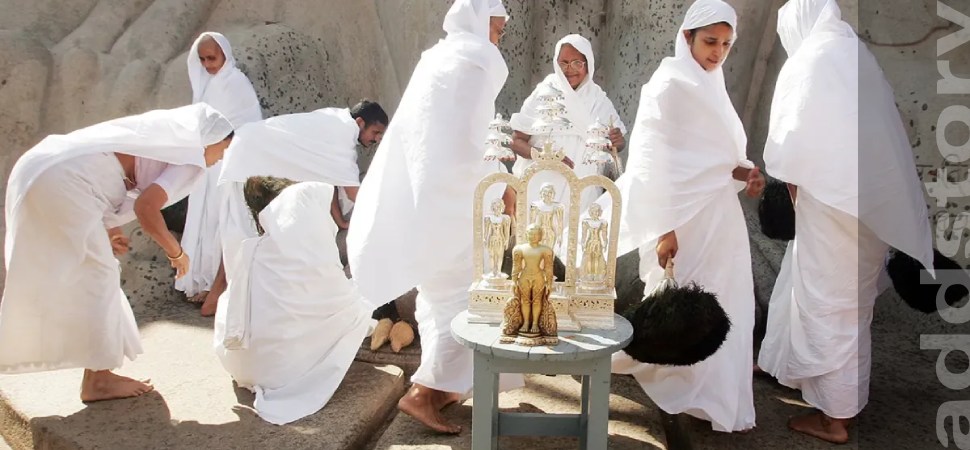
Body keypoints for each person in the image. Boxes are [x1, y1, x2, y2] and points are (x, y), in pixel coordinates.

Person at [756, 0, 934, 443]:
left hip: (831, 208)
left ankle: (835, 419)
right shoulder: (855, 54)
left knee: (827, 308)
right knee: (843, 305)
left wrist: (797, 200)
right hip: (870, 208)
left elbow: (788, 148)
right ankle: (803, 381)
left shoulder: (809, 63)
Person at [347, 0, 517, 434]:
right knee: (467, 301)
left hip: (431, 202)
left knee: (445, 299)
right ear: (480, 21)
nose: (499, 38)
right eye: (496, 28)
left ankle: (439, 391)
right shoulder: (474, 62)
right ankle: (423, 394)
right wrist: (502, 184)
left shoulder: (438, 59)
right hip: (457, 206)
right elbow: (465, 150)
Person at [0, 103, 233, 402]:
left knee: (84, 273)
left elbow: (108, 174)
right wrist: (176, 252)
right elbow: (145, 208)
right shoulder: (189, 158)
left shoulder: (154, 142)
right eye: (222, 149)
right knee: (100, 276)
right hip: (64, 183)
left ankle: (94, 373)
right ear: (206, 139)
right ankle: (98, 380)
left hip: (42, 170)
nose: (219, 159)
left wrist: (109, 229)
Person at [606, 0, 762, 433]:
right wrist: (665, 229)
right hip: (681, 219)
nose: (718, 52)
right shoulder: (668, 85)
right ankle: (680, 385)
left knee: (729, 304)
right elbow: (654, 163)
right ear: (687, 37)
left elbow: (719, 160)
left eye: (726, 44)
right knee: (682, 305)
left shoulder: (715, 85)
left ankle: (713, 399)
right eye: (710, 41)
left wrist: (747, 174)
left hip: (721, 220)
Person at [199, 100, 388, 316]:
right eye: (375, 132)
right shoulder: (341, 134)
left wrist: (340, 222)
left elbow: (331, 178)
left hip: (250, 151)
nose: (376, 139)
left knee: (245, 236)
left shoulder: (336, 122)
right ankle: (226, 303)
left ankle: (221, 298)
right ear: (360, 122)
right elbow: (353, 191)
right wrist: (385, 213)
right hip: (248, 157)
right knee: (243, 237)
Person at [213, 177, 374, 425]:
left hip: (241, 364)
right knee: (361, 306)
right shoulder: (312, 252)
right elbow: (343, 306)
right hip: (281, 371)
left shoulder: (254, 249)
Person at [177, 32, 263, 304]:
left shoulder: (236, 83)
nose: (207, 64)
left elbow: (248, 124)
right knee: (203, 220)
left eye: (211, 58)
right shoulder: (207, 85)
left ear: (224, 53)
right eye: (202, 59)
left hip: (229, 163)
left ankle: (219, 286)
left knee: (221, 221)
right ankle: (201, 280)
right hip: (206, 162)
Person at [509, 34, 626, 222]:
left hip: (583, 190)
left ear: (588, 64)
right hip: (541, 187)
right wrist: (545, 157)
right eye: (563, 63)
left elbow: (616, 145)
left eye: (577, 63)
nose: (569, 70)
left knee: (575, 245)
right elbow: (516, 141)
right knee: (537, 244)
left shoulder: (598, 99)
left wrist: (618, 141)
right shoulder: (544, 92)